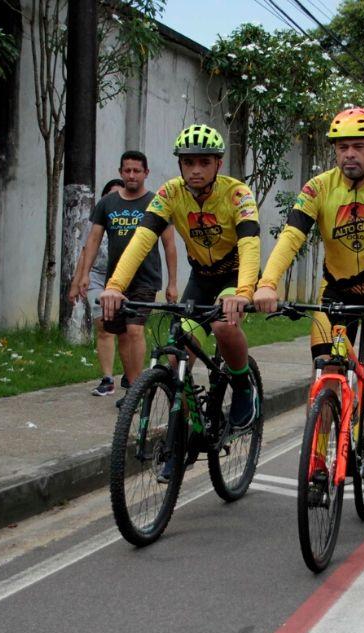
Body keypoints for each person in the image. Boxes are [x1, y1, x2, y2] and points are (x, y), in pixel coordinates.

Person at [253, 107, 364, 450]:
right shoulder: (318, 188)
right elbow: (291, 237)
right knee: (326, 372)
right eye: (342, 146)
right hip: (336, 290)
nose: (349, 154)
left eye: (359, 146)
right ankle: (317, 459)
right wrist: (267, 283)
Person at [99, 124, 261, 434]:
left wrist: (243, 293)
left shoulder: (237, 193)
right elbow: (142, 239)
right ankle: (184, 432)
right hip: (201, 278)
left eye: (204, 162)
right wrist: (115, 286)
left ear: (218, 165)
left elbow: (250, 244)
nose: (196, 170)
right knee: (177, 360)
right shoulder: (170, 193)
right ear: (180, 165)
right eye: (188, 163)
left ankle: (242, 385)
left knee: (223, 326)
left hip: (236, 275)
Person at [69, 151, 178, 407]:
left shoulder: (156, 203)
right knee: (119, 332)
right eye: (127, 170)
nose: (131, 175)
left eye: (136, 171)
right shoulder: (107, 204)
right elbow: (93, 241)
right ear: (121, 172)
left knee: (134, 329)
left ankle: (137, 389)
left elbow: (170, 245)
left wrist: (173, 283)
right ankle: (133, 387)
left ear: (146, 173)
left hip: (145, 279)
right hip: (115, 283)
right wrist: (84, 274)